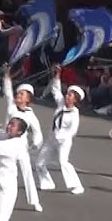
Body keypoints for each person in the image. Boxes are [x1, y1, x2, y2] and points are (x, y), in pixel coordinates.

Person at [36, 66, 85, 194]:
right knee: (39, 163)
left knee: (64, 162)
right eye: (67, 94)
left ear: (75, 99)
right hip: (52, 138)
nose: (67, 96)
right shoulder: (61, 103)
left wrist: (61, 137)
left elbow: (72, 131)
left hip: (63, 141)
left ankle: (77, 186)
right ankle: (47, 183)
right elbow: (55, 89)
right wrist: (57, 75)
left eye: (70, 95)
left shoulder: (75, 113)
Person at [1, 64, 43, 212]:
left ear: (28, 99)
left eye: (22, 95)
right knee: (2, 173)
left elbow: (38, 133)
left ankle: (34, 201)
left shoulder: (31, 116)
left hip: (21, 146)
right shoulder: (11, 107)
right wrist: (6, 75)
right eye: (18, 94)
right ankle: (0, 200)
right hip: (5, 143)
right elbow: (7, 91)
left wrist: (35, 145)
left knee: (27, 173)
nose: (18, 96)